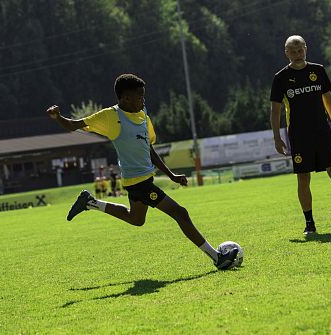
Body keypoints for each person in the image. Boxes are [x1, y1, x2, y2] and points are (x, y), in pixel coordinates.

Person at [46, 73, 238, 270]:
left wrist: (171, 175)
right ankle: (217, 258)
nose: (143, 100)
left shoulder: (141, 113)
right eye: (139, 97)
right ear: (124, 98)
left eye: (143, 96)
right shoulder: (111, 117)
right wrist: (57, 117)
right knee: (180, 213)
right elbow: (74, 125)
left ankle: (91, 203)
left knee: (136, 219)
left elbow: (148, 147)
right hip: (139, 183)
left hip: (141, 180)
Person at [270, 35, 331, 234]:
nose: (297, 55)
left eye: (300, 50)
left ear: (306, 49)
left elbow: (329, 100)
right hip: (298, 135)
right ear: (286, 53)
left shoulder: (318, 70)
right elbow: (275, 110)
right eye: (293, 51)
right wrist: (277, 137)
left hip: (322, 132)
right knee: (303, 178)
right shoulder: (280, 78)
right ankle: (309, 224)